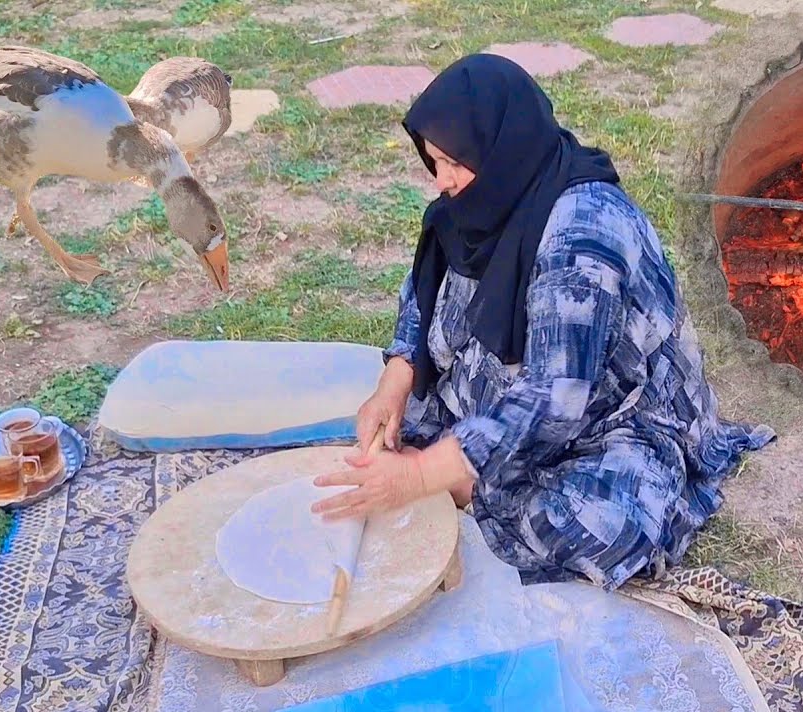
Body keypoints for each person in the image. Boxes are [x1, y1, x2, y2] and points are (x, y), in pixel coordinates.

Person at [313, 54, 774, 592]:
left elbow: (558, 395)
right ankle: (466, 469)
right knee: (400, 429)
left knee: (604, 526)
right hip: (509, 386)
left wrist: (420, 476)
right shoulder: (486, 196)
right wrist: (395, 380)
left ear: (501, 148)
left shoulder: (584, 233)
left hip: (612, 418)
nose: (443, 181)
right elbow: (426, 290)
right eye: (433, 162)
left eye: (454, 162)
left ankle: (465, 484)